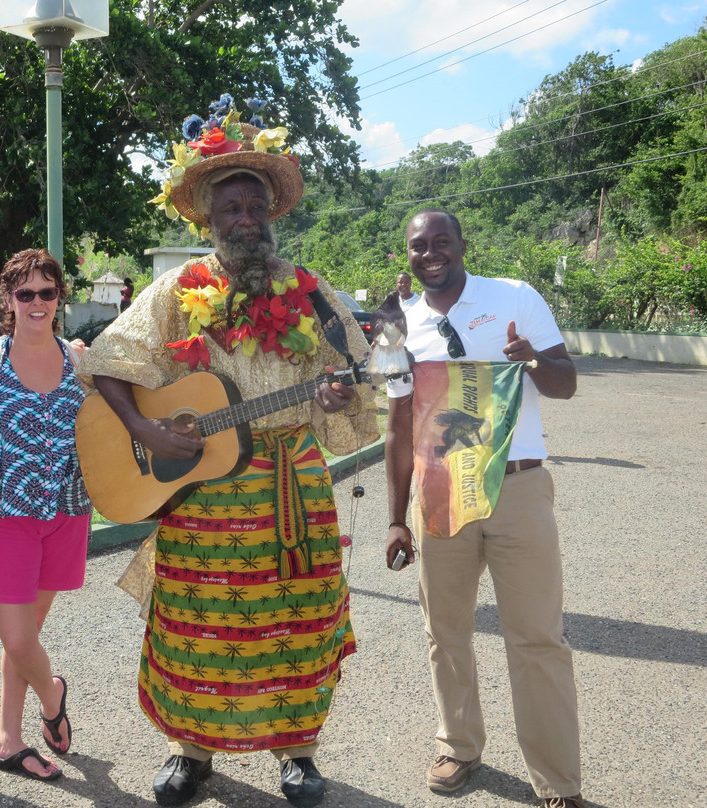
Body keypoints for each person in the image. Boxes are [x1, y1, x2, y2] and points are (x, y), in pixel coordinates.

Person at [76, 101, 379, 808]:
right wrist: (149, 432)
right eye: (229, 208)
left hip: (289, 485)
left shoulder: (312, 292)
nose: (244, 217)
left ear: (272, 211)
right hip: (202, 493)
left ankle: (298, 754)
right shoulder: (178, 293)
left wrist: (338, 398)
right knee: (194, 623)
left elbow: (358, 374)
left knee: (295, 621)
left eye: (254, 204)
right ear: (207, 221)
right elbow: (106, 364)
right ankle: (191, 751)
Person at [384, 208, 584, 808]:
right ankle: (459, 746)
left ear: (462, 245)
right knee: (445, 631)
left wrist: (531, 359)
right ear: (410, 254)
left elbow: (566, 382)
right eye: (419, 246)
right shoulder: (402, 326)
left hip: (518, 489)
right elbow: (396, 425)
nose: (431, 254)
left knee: (537, 639)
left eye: (441, 242)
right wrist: (396, 516)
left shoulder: (516, 297)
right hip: (441, 489)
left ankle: (558, 782)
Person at [0, 248, 92, 782]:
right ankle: (53, 692)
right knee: (18, 640)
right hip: (3, 515)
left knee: (28, 636)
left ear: (58, 298)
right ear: (9, 299)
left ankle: (8, 739)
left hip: (66, 510)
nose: (37, 302)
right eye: (26, 293)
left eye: (47, 291)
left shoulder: (79, 359)